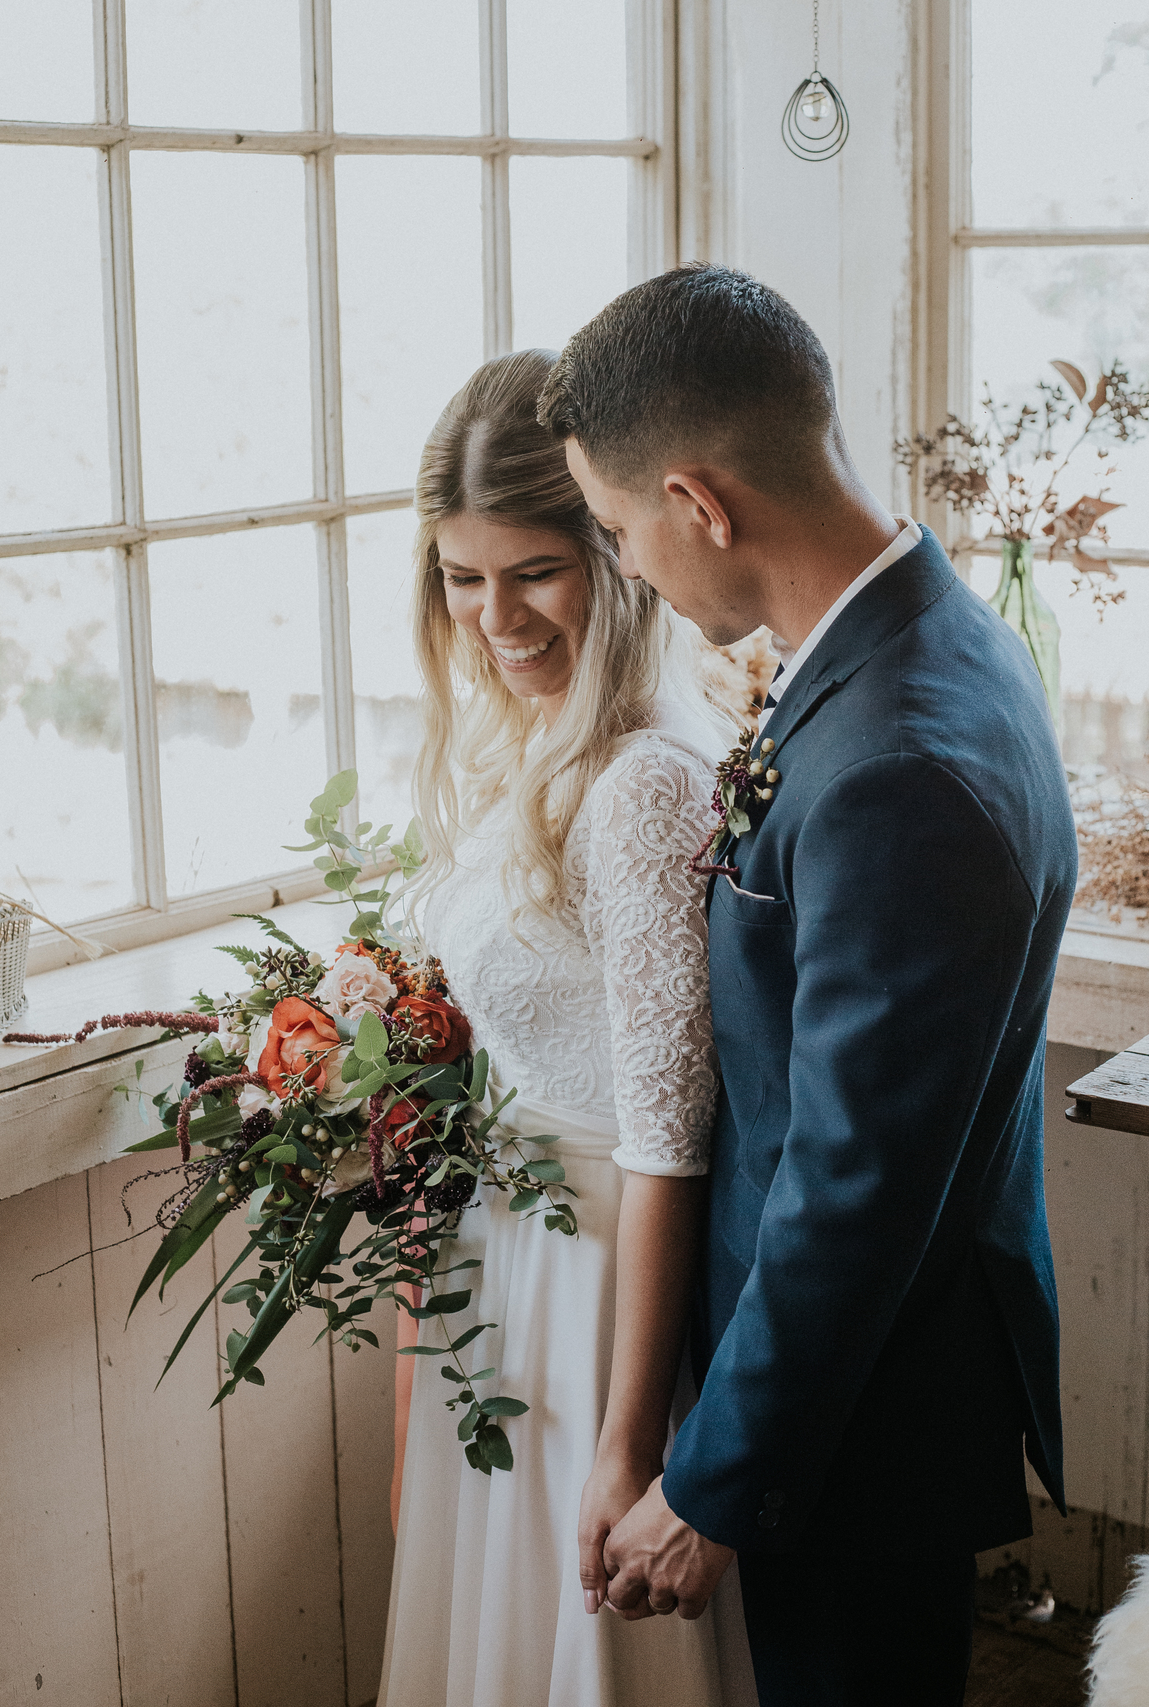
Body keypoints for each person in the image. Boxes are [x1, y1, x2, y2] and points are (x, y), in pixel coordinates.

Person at [538, 264, 1079, 1707]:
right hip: (860, 1379)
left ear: (699, 504)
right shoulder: (932, 637)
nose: (628, 569)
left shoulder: (899, 763)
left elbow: (856, 1181)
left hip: (857, 1418)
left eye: (618, 530)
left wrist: (719, 1477)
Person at [377, 349, 758, 1706]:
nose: (495, 617)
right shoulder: (537, 736)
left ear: (616, 551)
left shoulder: (644, 782)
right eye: (461, 578)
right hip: (511, 1253)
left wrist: (629, 1439)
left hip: (601, 1279)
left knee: (592, 1636)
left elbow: (669, 1139)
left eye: (533, 571)